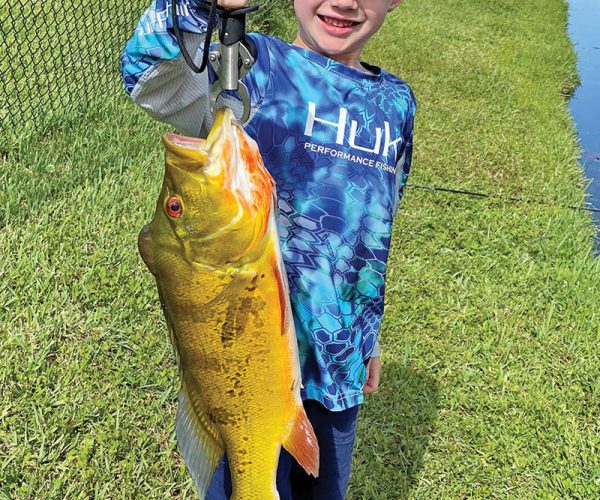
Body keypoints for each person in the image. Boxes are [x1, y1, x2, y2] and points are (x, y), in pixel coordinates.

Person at [121, 0, 415, 498]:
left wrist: (370, 337)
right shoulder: (251, 69)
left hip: (337, 358)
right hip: (247, 378)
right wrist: (198, 6)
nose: (343, 3)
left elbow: (371, 233)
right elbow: (150, 76)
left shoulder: (397, 105)